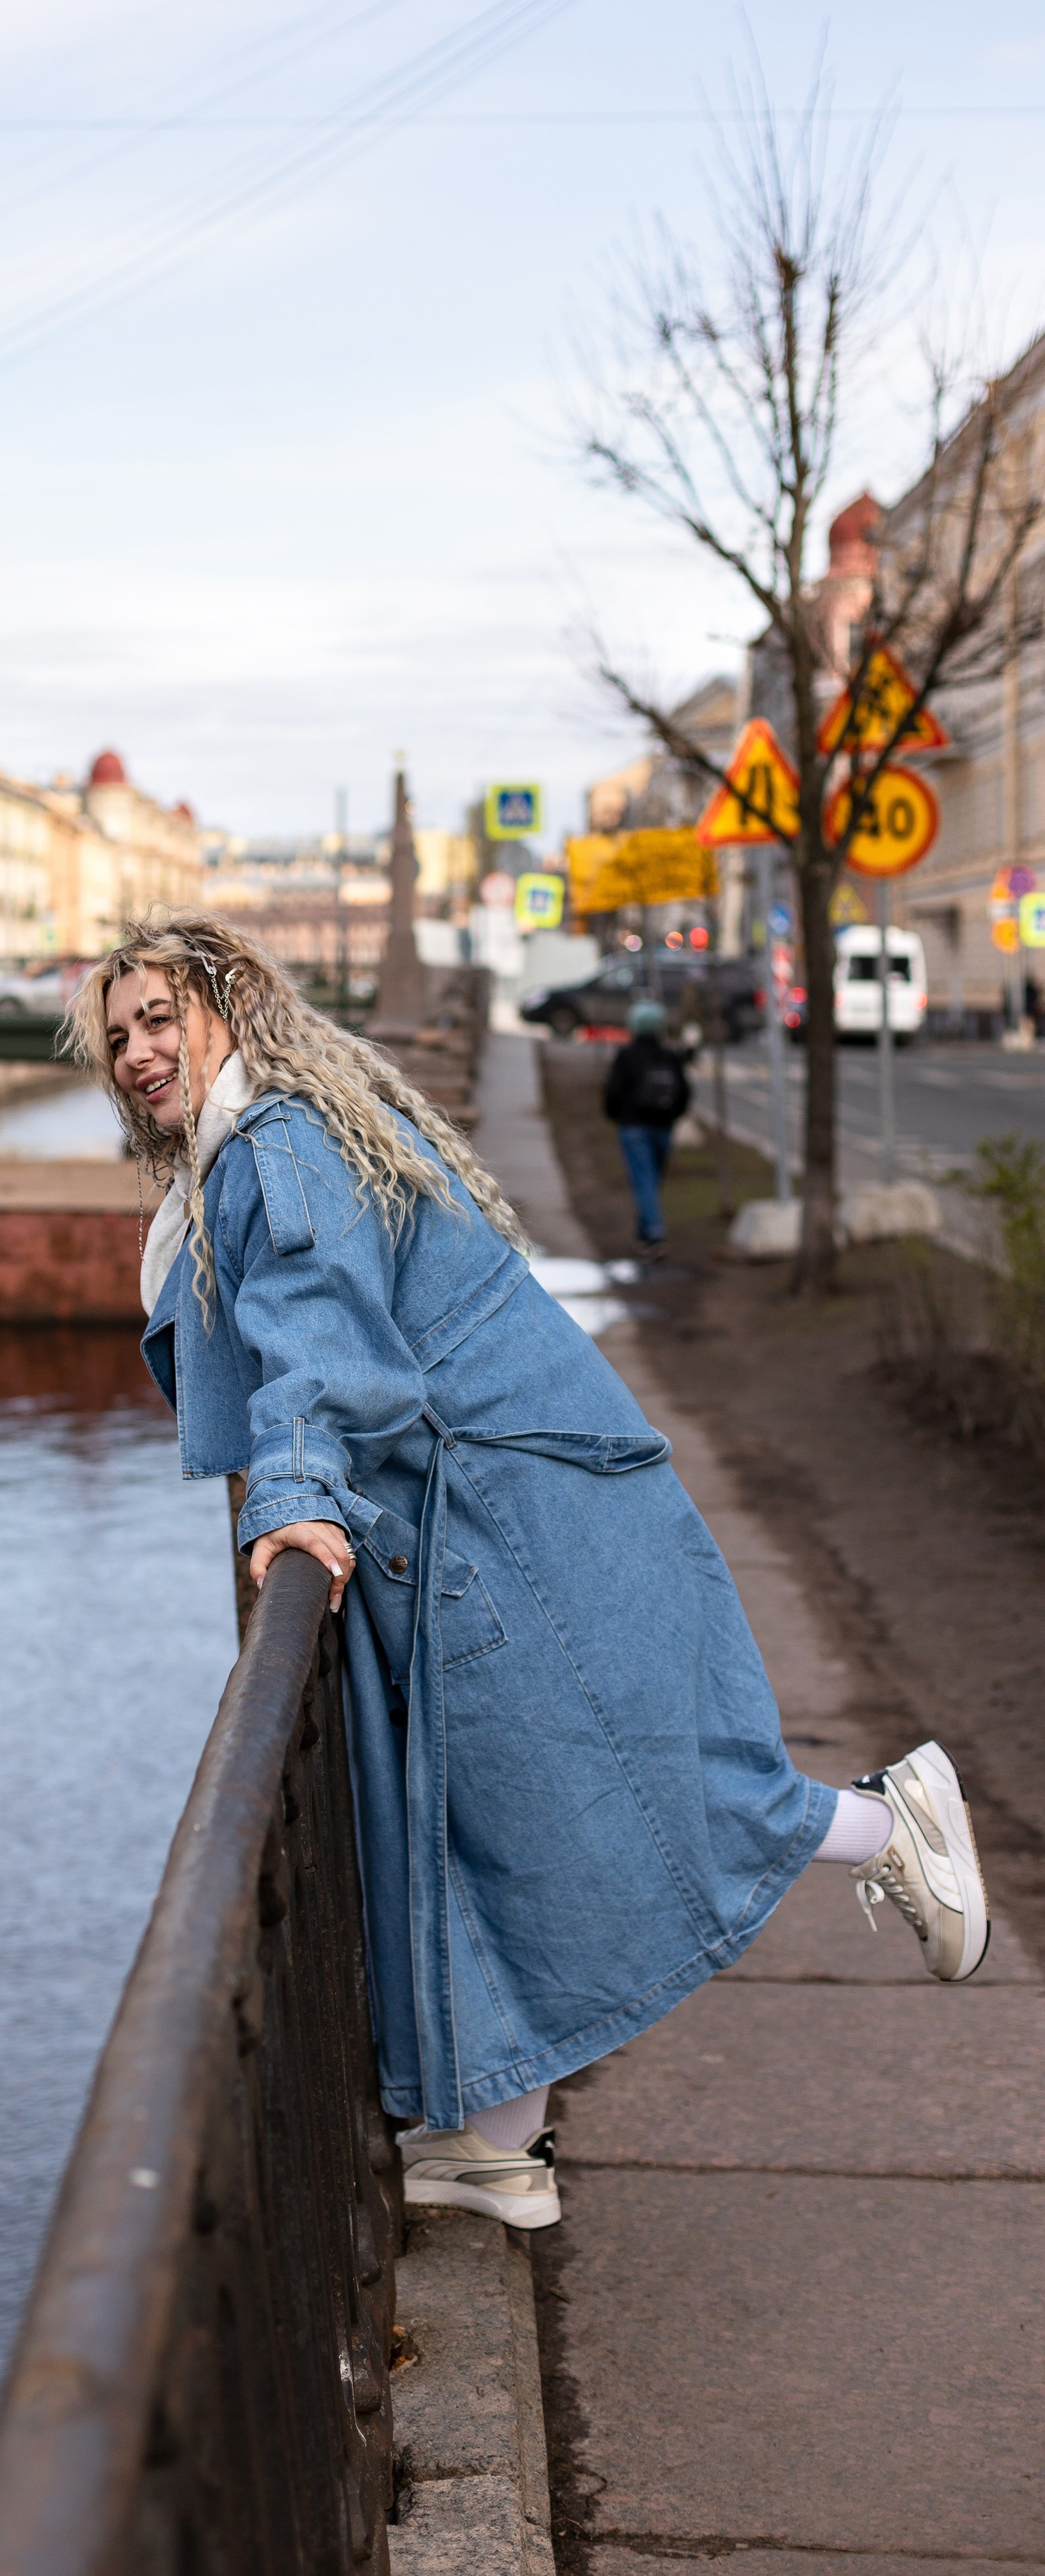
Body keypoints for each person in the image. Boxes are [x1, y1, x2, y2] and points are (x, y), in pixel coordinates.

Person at [67, 911, 990, 2232]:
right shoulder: (276, 1131)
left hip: (506, 1508)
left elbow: (323, 1333)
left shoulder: (276, 1142)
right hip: (487, 1501)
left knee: (591, 1791)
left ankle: (887, 1826)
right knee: (501, 1810)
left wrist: (290, 1490)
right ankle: (502, 2141)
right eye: (118, 1038)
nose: (141, 1051)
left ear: (235, 1010)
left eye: (163, 1019)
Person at [602, 996, 688, 1257]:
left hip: (634, 1127)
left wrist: (617, 1116)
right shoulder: (670, 1056)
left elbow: (613, 1093)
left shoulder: (627, 1056)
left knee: (645, 1180)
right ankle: (645, 1234)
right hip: (663, 1127)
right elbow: (684, 1092)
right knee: (650, 1180)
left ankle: (654, 1235)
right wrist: (673, 1116)